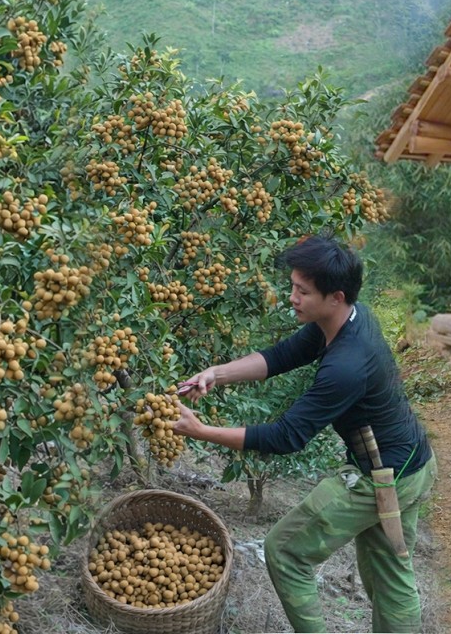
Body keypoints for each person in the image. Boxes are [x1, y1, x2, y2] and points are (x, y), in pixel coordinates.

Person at [167, 236, 436, 633]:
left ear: (335, 296)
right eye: (292, 286)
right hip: (413, 462)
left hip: (383, 477)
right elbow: (282, 356)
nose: (291, 297)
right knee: (389, 574)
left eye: (302, 291)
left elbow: (287, 436)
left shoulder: (346, 366)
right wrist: (216, 374)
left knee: (285, 551)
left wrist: (200, 430)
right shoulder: (347, 318)